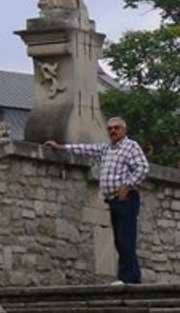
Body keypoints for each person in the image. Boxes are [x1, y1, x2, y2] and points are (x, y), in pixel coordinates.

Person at [45, 117, 149, 285]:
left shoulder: (131, 146)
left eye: (116, 128)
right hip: (113, 199)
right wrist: (61, 147)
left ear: (124, 130)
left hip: (126, 198)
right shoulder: (107, 148)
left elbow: (143, 167)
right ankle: (132, 277)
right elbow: (86, 148)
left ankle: (128, 277)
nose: (113, 131)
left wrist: (127, 186)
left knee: (125, 237)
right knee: (120, 238)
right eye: (110, 129)